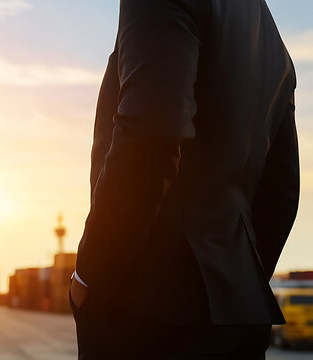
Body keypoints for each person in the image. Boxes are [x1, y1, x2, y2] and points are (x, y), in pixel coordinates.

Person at [69, 0, 299, 359]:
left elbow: (153, 134)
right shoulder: (272, 38)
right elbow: (282, 191)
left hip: (142, 313)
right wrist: (237, 280)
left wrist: (91, 273)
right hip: (239, 319)